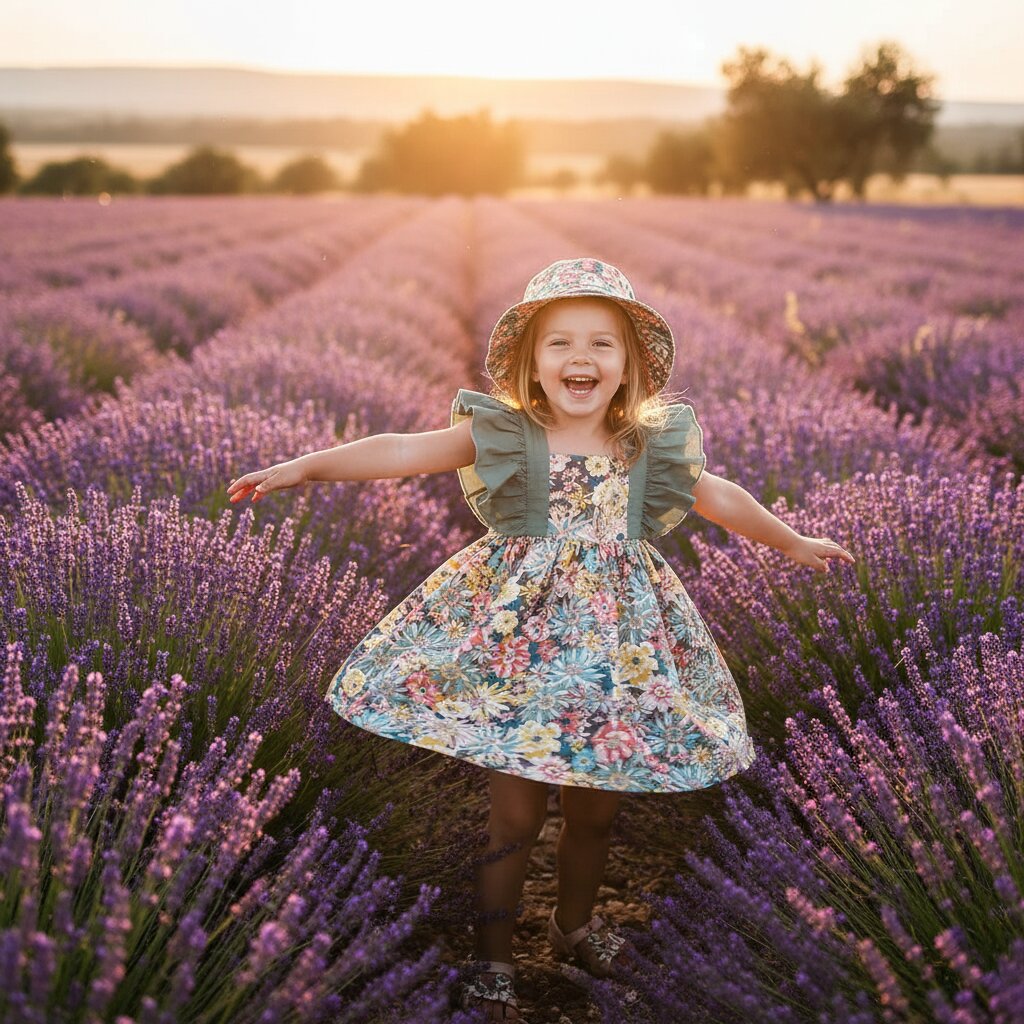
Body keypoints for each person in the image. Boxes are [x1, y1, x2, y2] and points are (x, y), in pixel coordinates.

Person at [226, 257, 856, 1022]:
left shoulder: (651, 445)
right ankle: (494, 957)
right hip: (517, 652)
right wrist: (304, 468)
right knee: (515, 817)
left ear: (630, 366)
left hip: (617, 653)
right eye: (560, 344)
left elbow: (719, 495)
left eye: (601, 344)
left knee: (596, 813)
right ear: (530, 361)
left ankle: (572, 926)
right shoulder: (506, 432)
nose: (580, 359)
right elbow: (401, 448)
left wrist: (790, 542)